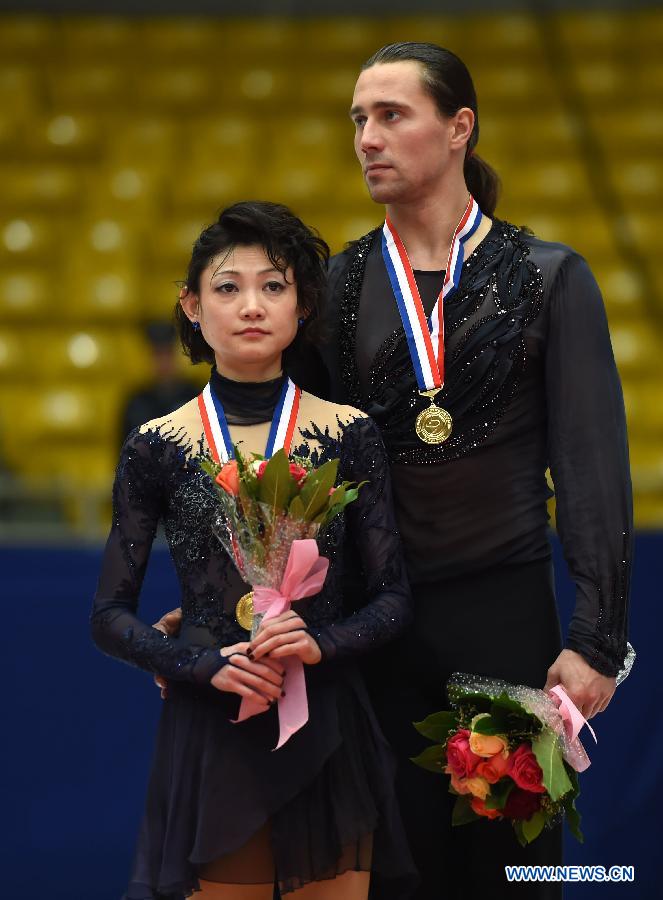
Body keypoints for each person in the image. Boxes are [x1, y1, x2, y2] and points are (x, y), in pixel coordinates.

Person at [314, 43, 632, 899]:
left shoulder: (547, 278)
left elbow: (593, 468)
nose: (367, 138)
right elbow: (294, 468)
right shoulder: (338, 285)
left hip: (504, 627)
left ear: (459, 128)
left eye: (391, 115)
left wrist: (595, 636)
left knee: (508, 879)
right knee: (384, 878)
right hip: (374, 635)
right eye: (358, 119)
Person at [90, 201, 417, 900]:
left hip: (326, 715)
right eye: (227, 287)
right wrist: (198, 665)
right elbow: (109, 615)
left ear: (302, 304)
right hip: (214, 722)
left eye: (273, 286)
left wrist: (320, 645)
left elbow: (393, 598)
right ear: (190, 305)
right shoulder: (156, 444)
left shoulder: (348, 433)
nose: (250, 306)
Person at [119, 319, 198, 446]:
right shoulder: (136, 404)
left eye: (168, 354)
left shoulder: (197, 397)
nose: (163, 362)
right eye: (157, 354)